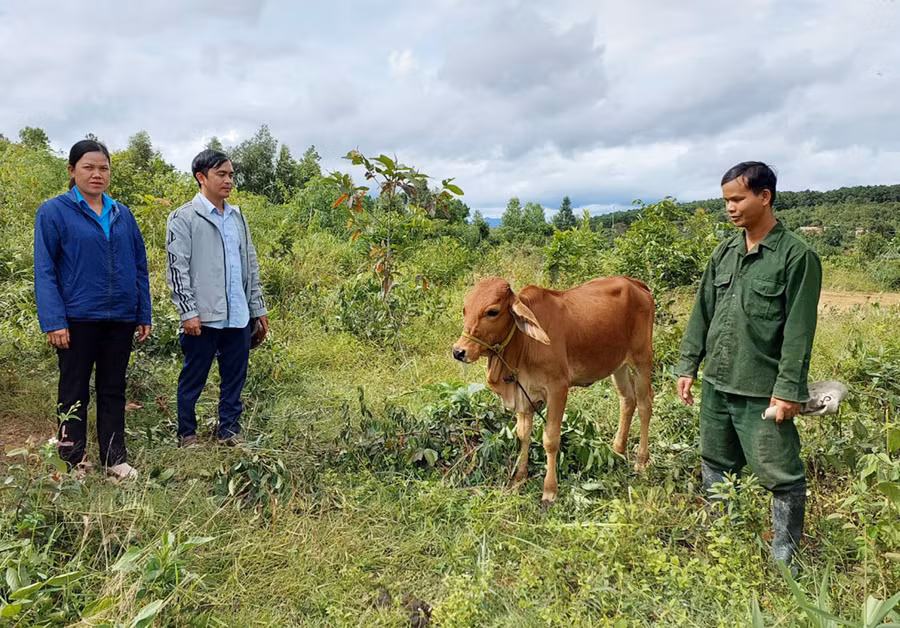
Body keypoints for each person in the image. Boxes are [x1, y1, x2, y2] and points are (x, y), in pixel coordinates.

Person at [675, 161, 822, 569]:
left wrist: (789, 389)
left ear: (765, 196)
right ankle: (725, 541)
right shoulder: (725, 252)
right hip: (717, 384)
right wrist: (688, 365)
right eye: (726, 201)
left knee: (781, 474)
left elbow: (798, 329)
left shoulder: (796, 256)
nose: (730, 208)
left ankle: (784, 560)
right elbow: (702, 311)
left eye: (737, 199)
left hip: (761, 389)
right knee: (716, 461)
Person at [34, 139, 152, 480]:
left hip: (120, 318)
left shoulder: (122, 213)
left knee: (113, 389)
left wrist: (142, 312)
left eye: (103, 168)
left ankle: (115, 459)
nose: (97, 174)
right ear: (72, 171)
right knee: (73, 391)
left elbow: (139, 265)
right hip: (76, 318)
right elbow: (45, 269)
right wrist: (54, 320)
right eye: (88, 167)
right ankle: (71, 463)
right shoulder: (54, 211)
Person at [165, 149, 268, 448]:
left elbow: (250, 263)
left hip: (237, 313)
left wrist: (257, 308)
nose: (228, 181)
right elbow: (177, 267)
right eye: (221, 174)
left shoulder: (237, 217)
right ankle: (187, 433)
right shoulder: (184, 217)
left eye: (231, 175)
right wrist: (188, 312)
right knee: (193, 377)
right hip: (204, 315)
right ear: (201, 177)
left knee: (235, 376)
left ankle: (229, 431)